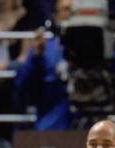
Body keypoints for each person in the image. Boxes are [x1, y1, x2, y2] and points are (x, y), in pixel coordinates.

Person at [13, 0, 73, 130]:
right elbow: (21, 84)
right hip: (51, 125)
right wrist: (35, 57)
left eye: (75, 10)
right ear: (55, 16)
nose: (71, 14)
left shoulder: (97, 47)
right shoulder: (44, 46)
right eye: (67, 9)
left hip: (89, 128)